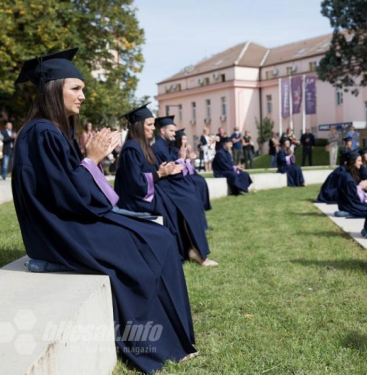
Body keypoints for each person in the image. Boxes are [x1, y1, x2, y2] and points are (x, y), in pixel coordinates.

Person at [11, 48, 198, 372]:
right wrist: (92, 159)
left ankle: (174, 339)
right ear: (53, 89)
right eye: (76, 88)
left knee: (156, 233)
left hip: (65, 222)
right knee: (151, 242)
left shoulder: (48, 130)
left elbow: (70, 190)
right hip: (58, 231)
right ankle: (155, 344)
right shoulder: (42, 133)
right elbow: (68, 197)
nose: (83, 95)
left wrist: (87, 162)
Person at [152, 115, 217, 266]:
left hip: (170, 183)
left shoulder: (164, 146)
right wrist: (179, 164)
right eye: (171, 130)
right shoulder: (158, 148)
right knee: (189, 202)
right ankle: (199, 255)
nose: (174, 134)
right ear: (162, 130)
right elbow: (166, 171)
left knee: (193, 197)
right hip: (164, 186)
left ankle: (195, 251)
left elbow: (174, 168)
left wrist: (180, 162)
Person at [173, 128, 212, 212]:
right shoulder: (175, 150)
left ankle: (203, 205)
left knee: (201, 180)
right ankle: (200, 205)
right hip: (181, 176)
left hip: (188, 173)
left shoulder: (184, 149)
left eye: (186, 139)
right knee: (198, 182)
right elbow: (180, 165)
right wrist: (188, 159)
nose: (185, 141)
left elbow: (189, 167)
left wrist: (190, 158)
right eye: (183, 139)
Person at [335, 150, 367, 217]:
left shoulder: (351, 174)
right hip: (348, 206)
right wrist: (360, 187)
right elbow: (353, 201)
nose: (361, 163)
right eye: (359, 161)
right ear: (352, 162)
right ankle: (347, 213)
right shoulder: (347, 178)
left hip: (348, 205)